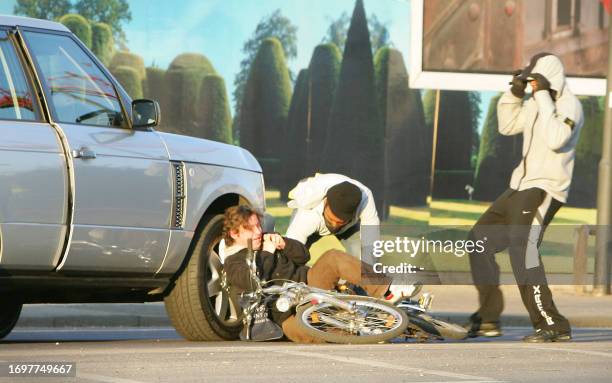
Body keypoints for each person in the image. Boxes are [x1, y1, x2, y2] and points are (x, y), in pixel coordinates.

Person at [465, 53, 583, 343]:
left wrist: (542, 95)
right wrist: (513, 94)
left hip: (545, 188)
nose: (530, 86)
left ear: (547, 79)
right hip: (519, 187)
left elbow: (556, 138)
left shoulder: (571, 106)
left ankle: (552, 323)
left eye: (533, 81)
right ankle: (489, 318)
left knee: (523, 250)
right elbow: (507, 126)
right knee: (477, 239)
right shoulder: (533, 103)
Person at [222, 205, 410, 343]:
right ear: (234, 234)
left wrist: (284, 244)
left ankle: (386, 290)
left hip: (310, 284)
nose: (258, 232)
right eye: (250, 228)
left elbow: (304, 255)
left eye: (258, 225)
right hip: (284, 313)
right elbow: (252, 281)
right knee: (317, 334)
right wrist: (267, 253)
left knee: (332, 257)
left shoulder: (269, 240)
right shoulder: (233, 263)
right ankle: (368, 332)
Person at [285, 173, 419, 300]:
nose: (335, 225)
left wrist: (373, 280)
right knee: (295, 257)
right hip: (313, 219)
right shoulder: (307, 212)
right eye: (331, 220)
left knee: (361, 258)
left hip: (348, 228)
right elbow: (290, 254)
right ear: (325, 202)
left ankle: (359, 294)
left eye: (339, 222)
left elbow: (370, 244)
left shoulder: (365, 200)